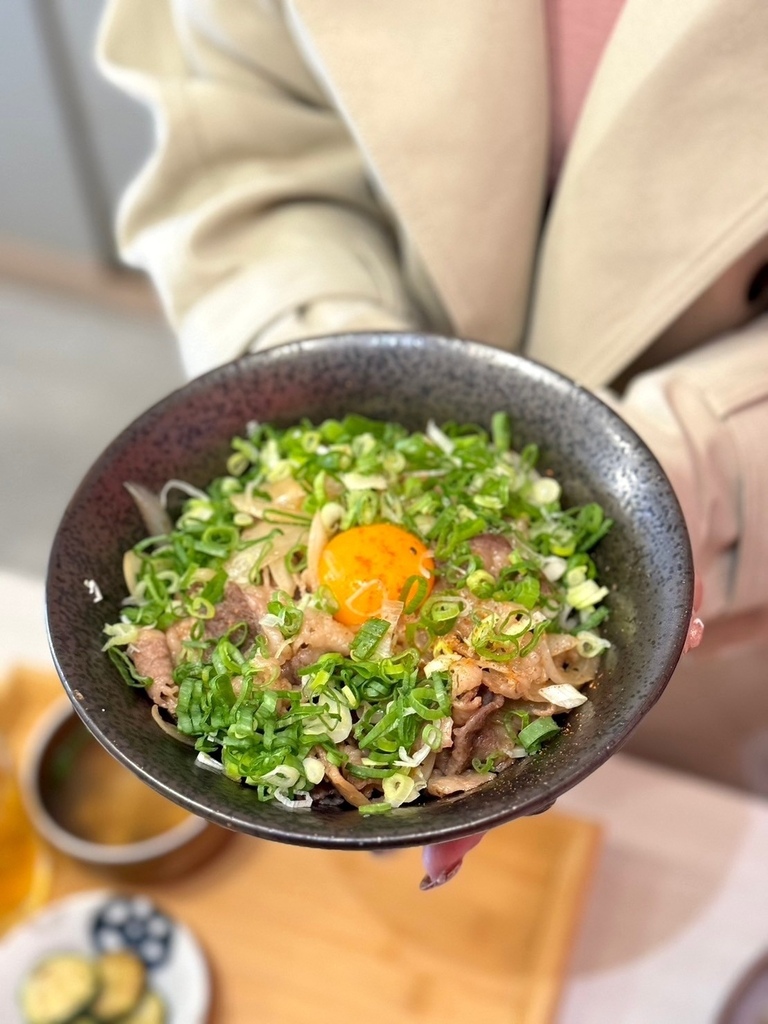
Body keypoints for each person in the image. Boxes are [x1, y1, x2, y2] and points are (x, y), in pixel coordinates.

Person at [97, 0, 768, 888]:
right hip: (373, 348)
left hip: (720, 579)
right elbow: (235, 140)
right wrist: (330, 361)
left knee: (670, 871)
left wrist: (675, 472)